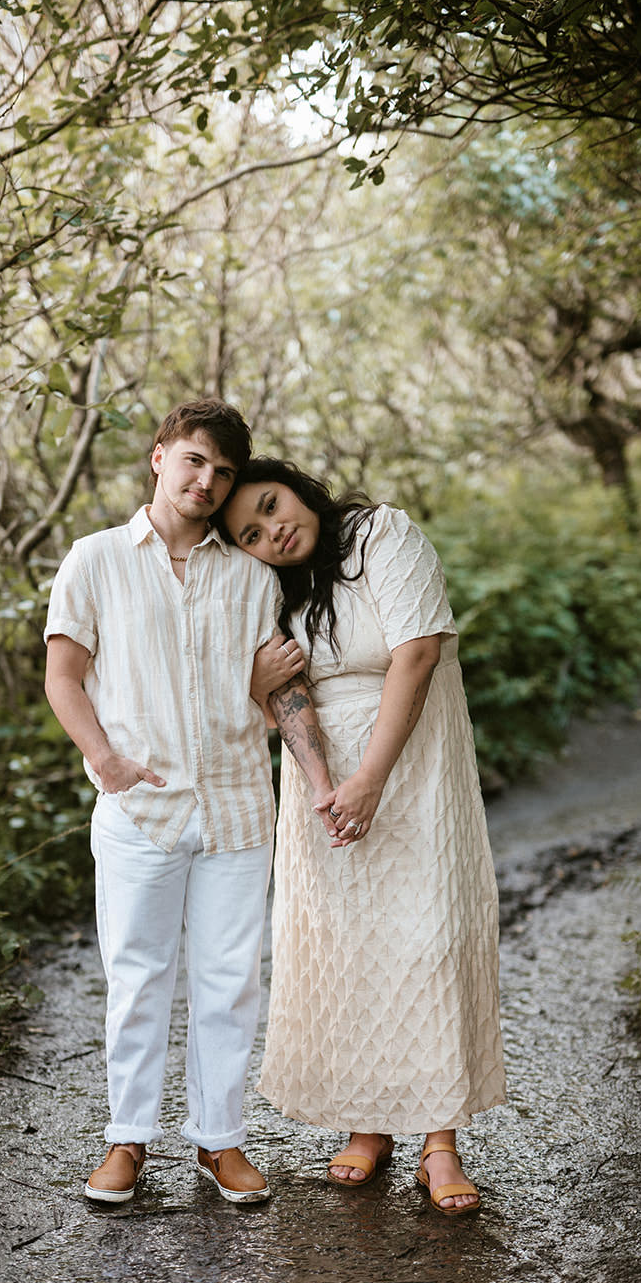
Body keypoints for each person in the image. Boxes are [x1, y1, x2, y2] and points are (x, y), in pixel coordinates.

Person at [44, 404, 335, 1207]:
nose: (206, 482)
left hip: (238, 807)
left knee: (229, 980)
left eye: (224, 473)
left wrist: (318, 783)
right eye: (195, 462)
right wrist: (102, 760)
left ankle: (219, 1141)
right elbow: (63, 677)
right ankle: (126, 1141)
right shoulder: (95, 559)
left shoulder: (250, 575)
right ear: (160, 457)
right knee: (137, 978)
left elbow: (278, 691)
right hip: (140, 808)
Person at [219, 459, 505, 1215]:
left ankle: (438, 1142)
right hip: (323, 787)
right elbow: (281, 686)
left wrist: (371, 778)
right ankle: (366, 1123)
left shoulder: (381, 532)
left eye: (272, 506)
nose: (272, 531)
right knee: (345, 943)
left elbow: (417, 652)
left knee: (428, 936)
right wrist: (322, 786)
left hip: (414, 767)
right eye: (250, 533)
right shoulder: (271, 590)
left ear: (298, 488)